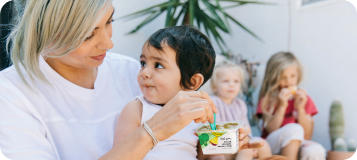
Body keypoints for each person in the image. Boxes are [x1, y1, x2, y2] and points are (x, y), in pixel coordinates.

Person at [0, 0, 263, 160]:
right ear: (47, 34)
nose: (109, 42)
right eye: (88, 35)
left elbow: (200, 147)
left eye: (109, 21)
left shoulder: (134, 75)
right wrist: (153, 131)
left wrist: (232, 141)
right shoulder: (11, 95)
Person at [113, 25, 224, 160]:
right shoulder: (137, 109)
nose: (145, 72)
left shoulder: (198, 115)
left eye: (158, 65)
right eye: (143, 63)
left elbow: (206, 157)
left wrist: (225, 144)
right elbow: (120, 154)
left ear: (192, 82)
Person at [256, 52, 326, 160]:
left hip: (298, 144)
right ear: (274, 78)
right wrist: (281, 106)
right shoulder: (268, 99)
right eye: (283, 77)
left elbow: (306, 136)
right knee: (294, 129)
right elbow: (271, 130)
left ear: (298, 75)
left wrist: (301, 109)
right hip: (271, 144)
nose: (289, 81)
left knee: (315, 150)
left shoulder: (304, 99)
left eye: (292, 76)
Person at [209, 61, 272, 160]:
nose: (231, 85)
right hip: (218, 145)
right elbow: (214, 133)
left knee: (262, 144)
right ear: (214, 86)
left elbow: (246, 128)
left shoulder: (240, 104)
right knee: (246, 149)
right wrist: (245, 145)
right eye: (226, 81)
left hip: (238, 142)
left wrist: (250, 143)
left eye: (236, 81)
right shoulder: (213, 102)